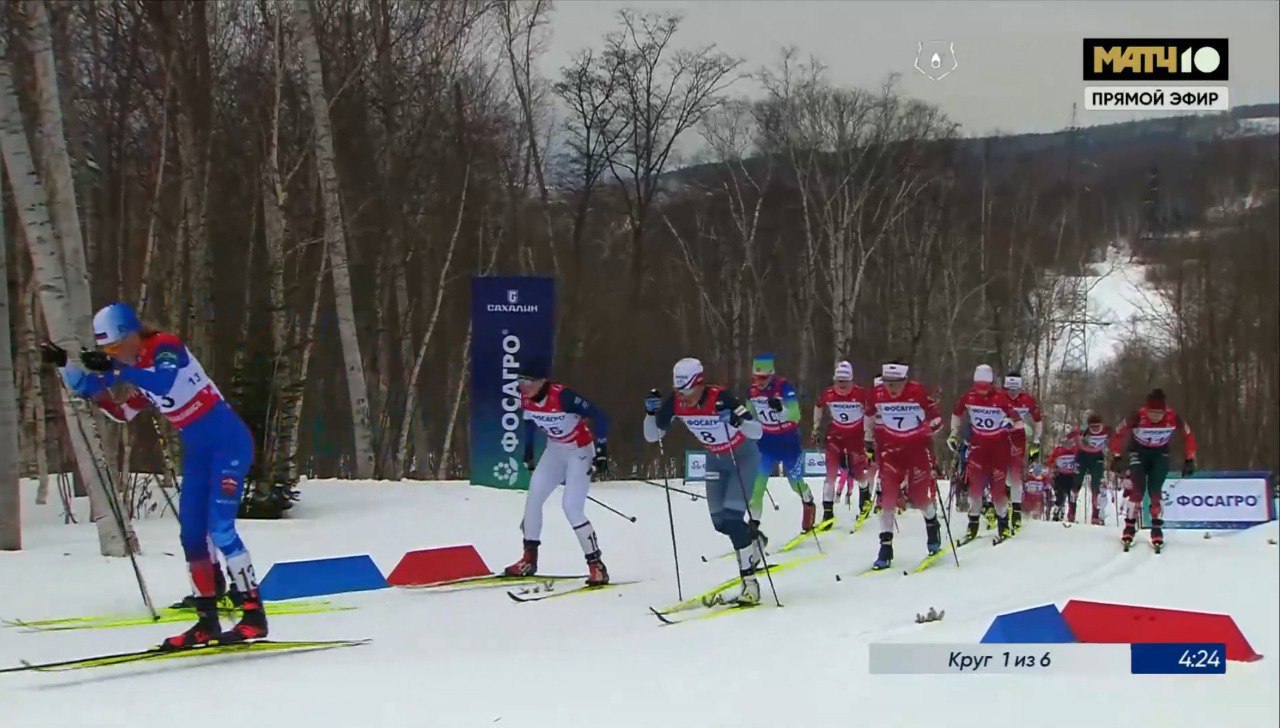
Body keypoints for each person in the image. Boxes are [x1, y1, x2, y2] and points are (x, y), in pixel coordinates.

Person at [41, 302, 265, 649]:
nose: (115, 355)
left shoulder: (164, 346)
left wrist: (116, 371)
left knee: (220, 528)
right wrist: (66, 366)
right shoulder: (133, 370)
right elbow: (119, 411)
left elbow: (163, 381)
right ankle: (207, 621)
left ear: (132, 336)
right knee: (191, 535)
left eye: (117, 347)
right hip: (200, 456)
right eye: (108, 351)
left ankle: (254, 615)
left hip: (229, 445)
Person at [645, 358, 765, 604]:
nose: (684, 397)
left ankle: (750, 584)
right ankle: (754, 540)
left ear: (700, 384)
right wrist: (650, 414)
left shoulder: (721, 398)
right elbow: (652, 435)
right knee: (720, 522)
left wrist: (737, 421)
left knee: (732, 519)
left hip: (741, 456)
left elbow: (757, 431)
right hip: (715, 459)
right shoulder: (676, 402)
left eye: (688, 391)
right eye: (680, 391)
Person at [503, 358, 611, 585]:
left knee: (571, 507)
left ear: (542, 381)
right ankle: (529, 559)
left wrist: (601, 449)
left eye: (528, 380)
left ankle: (596, 566)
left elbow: (599, 415)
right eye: (519, 380)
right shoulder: (525, 397)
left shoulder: (563, 396)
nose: (523, 385)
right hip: (555, 450)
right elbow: (530, 422)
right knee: (533, 499)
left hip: (579, 451)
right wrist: (529, 452)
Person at [862, 360, 944, 569]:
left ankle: (932, 523)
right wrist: (868, 441)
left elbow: (938, 420)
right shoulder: (877, 393)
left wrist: (928, 428)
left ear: (905, 381)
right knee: (887, 498)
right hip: (891, 453)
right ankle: (885, 546)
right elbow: (869, 416)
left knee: (918, 497)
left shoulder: (917, 392)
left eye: (896, 383)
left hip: (916, 452)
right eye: (888, 383)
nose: (891, 388)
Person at [1110, 389, 1197, 549]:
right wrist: (1116, 456)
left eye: (1159, 413)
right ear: (1146, 410)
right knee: (1138, 490)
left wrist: (1189, 458)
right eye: (1152, 413)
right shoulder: (1137, 416)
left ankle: (1157, 529)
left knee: (1155, 491)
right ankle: (1129, 527)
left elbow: (1188, 435)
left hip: (1160, 454)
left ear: (1165, 410)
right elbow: (1118, 432)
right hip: (1138, 453)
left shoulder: (1173, 417)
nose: (1156, 417)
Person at [948, 365, 1022, 541]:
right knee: (975, 488)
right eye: (978, 386)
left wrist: (1009, 424)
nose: (981, 391)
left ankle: (1003, 524)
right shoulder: (969, 396)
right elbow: (956, 414)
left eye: (985, 387)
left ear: (991, 384)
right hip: (978, 447)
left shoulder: (1001, 398)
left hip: (998, 448)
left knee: (998, 489)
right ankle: (972, 525)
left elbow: (1019, 423)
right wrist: (953, 434)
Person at [748, 354, 817, 533]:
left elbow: (796, 415)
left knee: (795, 482)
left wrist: (781, 409)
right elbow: (750, 416)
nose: (759, 382)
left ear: (771, 375)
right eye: (756, 377)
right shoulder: (752, 391)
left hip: (788, 441)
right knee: (758, 485)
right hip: (766, 442)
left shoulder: (783, 387)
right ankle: (753, 527)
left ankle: (808, 502)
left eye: (763, 378)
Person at [811, 361, 873, 527]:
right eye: (839, 381)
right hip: (836, 435)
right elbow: (818, 406)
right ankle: (828, 513)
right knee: (830, 475)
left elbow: (870, 413)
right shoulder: (829, 393)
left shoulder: (861, 393)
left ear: (852, 380)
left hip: (856, 435)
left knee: (859, 472)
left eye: (846, 382)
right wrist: (816, 428)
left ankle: (865, 499)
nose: (842, 386)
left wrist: (869, 435)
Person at [1002, 371, 1043, 531]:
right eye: (1009, 389)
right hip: (998, 439)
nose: (1012, 393)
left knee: (1015, 476)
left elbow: (1038, 420)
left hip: (1018, 440)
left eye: (1015, 389)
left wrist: (1036, 441)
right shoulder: (999, 397)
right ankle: (996, 505)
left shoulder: (1027, 400)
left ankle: (1017, 511)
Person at [1074, 412, 1113, 525]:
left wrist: (1113, 456)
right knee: (1076, 483)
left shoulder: (1107, 430)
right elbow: (1073, 437)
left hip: (1097, 457)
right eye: (1093, 427)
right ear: (1088, 426)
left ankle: (1095, 515)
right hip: (1082, 456)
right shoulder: (1083, 431)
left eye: (1098, 426)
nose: (1095, 429)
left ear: (1102, 425)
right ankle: (1071, 512)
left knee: (1096, 486)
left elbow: (1114, 441)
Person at [1047, 434, 1080, 522]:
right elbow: (1050, 462)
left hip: (1072, 477)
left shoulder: (1076, 450)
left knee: (1072, 497)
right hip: (1060, 476)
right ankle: (1055, 514)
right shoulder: (1058, 451)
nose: (1068, 445)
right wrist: (1053, 469)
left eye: (1070, 443)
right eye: (1066, 443)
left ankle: (1071, 516)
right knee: (1060, 497)